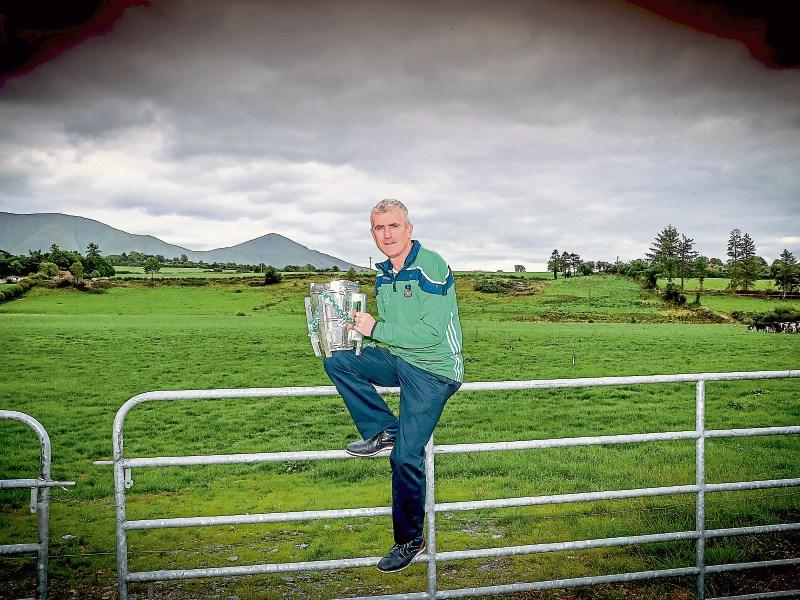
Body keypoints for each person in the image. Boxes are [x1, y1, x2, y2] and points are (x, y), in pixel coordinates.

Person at [323, 198, 464, 573]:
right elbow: (390, 333)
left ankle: (410, 540)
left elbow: (431, 333)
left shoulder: (430, 264)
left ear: (409, 229)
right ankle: (383, 428)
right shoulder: (384, 273)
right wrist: (358, 331)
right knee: (337, 359)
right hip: (402, 360)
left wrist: (376, 330)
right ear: (373, 233)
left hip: (434, 370)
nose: (386, 235)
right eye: (378, 228)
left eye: (393, 226)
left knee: (404, 456)